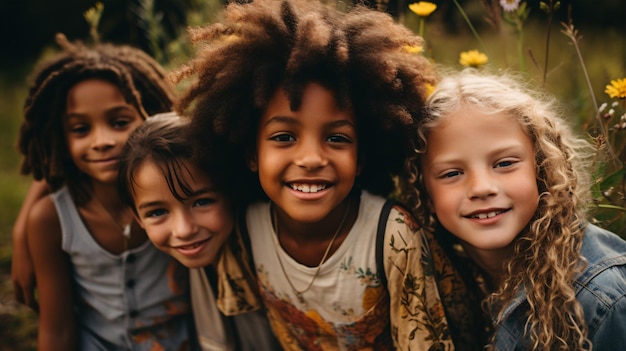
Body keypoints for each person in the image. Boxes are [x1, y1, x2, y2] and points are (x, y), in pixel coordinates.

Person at [171, 0, 484, 349]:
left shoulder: (393, 237)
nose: (310, 158)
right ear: (251, 154)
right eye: (284, 137)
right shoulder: (246, 227)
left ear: (361, 157)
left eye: (336, 138)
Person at [404, 69, 626, 350]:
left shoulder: (603, 299)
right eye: (451, 173)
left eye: (504, 163)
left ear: (542, 167)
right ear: (424, 189)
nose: (481, 187)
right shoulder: (445, 280)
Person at [16, 33, 192, 350]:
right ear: (59, 139)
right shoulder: (50, 219)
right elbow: (56, 330)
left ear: (150, 115)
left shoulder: (183, 195)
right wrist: (21, 230)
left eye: (119, 121)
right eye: (81, 129)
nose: (101, 141)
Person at [117, 112, 282, 350]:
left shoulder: (267, 242)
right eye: (157, 212)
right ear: (138, 218)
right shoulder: (193, 260)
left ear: (229, 192)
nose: (183, 230)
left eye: (202, 202)